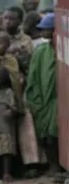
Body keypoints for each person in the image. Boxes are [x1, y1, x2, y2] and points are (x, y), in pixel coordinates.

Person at [25, 13, 60, 175]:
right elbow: (33, 78)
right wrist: (35, 100)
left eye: (46, 29)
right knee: (47, 136)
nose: (42, 33)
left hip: (59, 102)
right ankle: (53, 165)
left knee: (58, 133)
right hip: (44, 102)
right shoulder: (41, 51)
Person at [3, 6, 33, 74]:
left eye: (11, 19)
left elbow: (29, 62)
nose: (7, 21)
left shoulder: (26, 40)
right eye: (5, 18)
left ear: (20, 21)